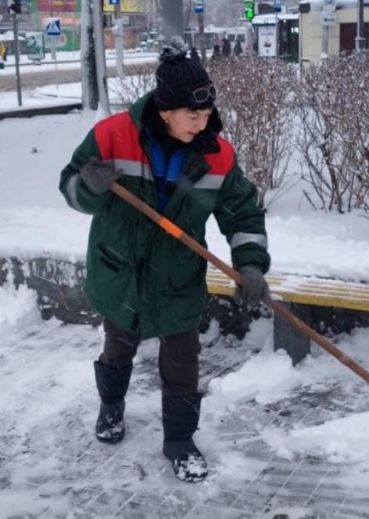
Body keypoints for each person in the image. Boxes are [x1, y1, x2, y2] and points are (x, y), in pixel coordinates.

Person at [59, 44, 271, 483]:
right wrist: (89, 185)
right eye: (192, 115)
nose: (201, 123)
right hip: (122, 270)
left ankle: (180, 441)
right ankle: (111, 406)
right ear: (164, 110)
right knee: (118, 345)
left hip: (177, 276)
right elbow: (71, 190)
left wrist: (250, 264)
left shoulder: (216, 155)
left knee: (182, 360)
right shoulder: (112, 136)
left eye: (207, 113)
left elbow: (242, 214)